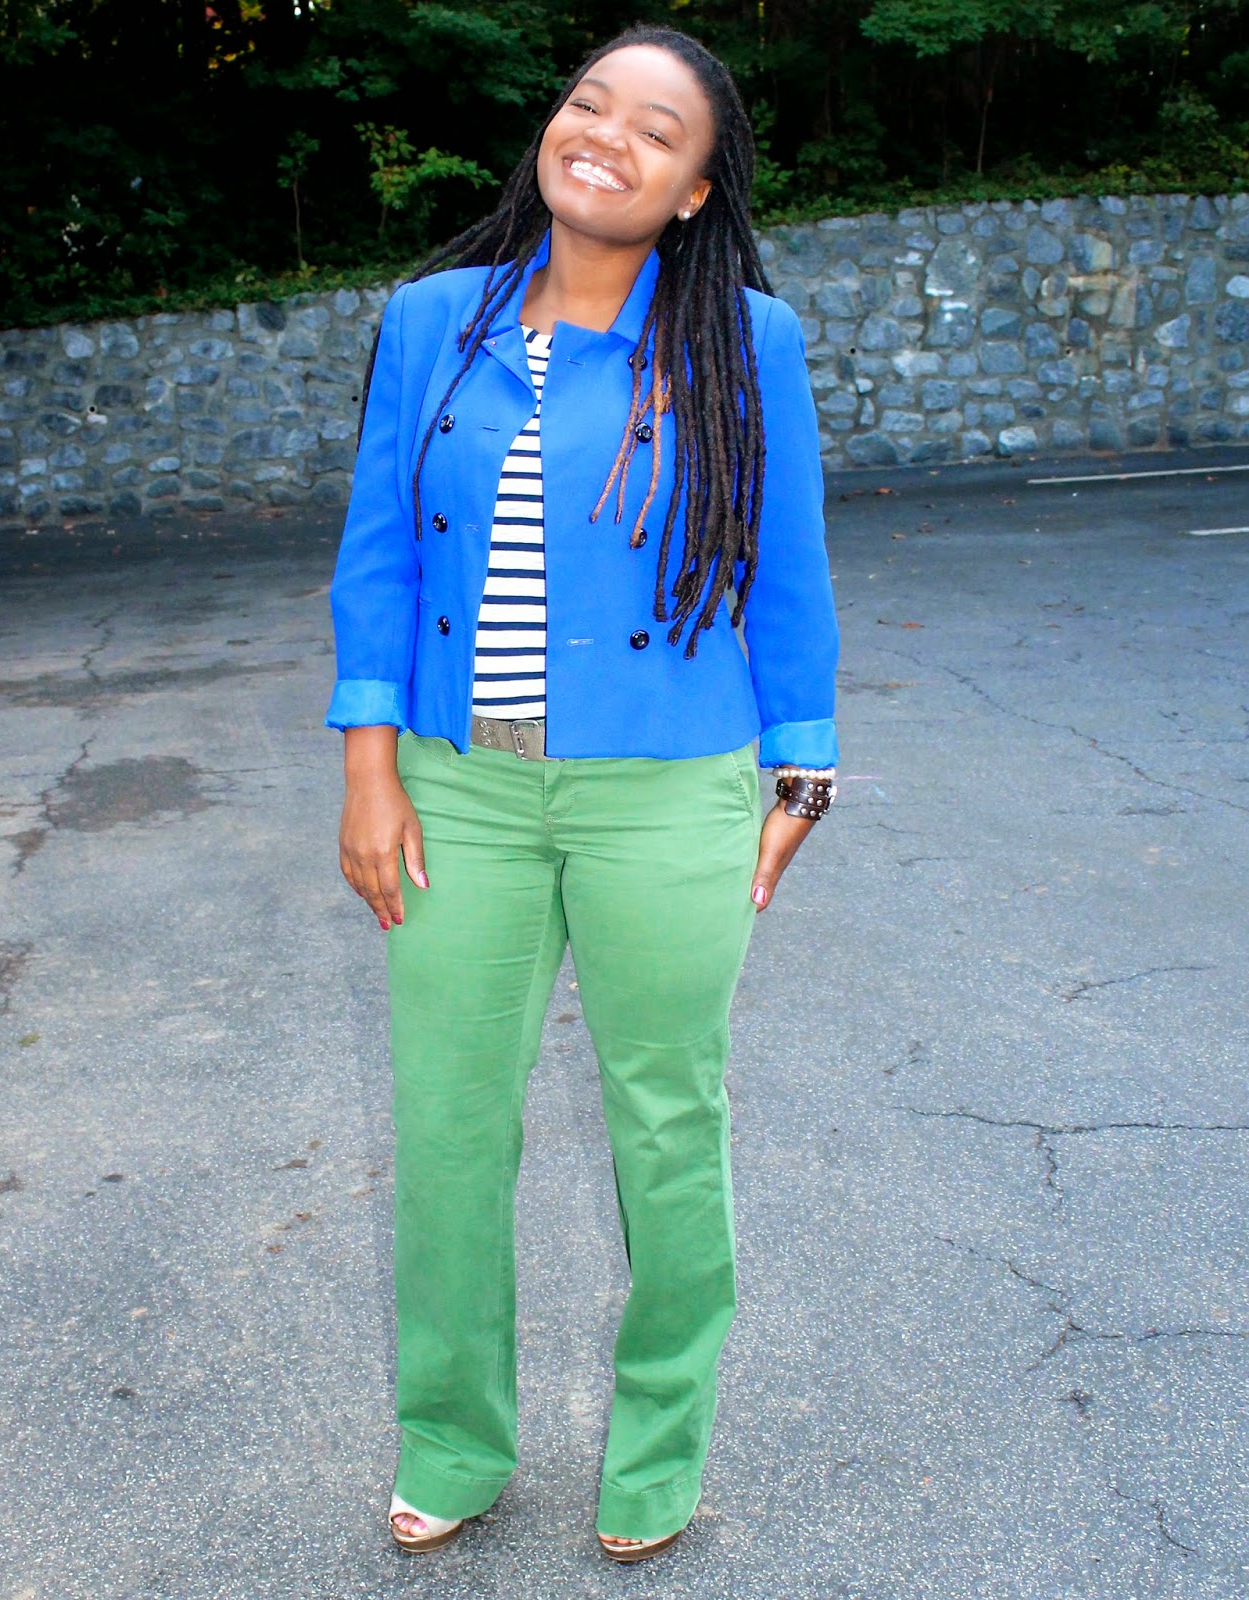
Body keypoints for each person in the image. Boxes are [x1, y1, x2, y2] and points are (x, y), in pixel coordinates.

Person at [324, 22, 839, 1564]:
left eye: (656, 131)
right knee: (446, 1130)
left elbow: (785, 569)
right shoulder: (434, 320)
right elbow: (377, 550)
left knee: (667, 1126)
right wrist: (368, 763)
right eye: (589, 103)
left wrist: (803, 767)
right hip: (456, 788)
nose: (607, 135)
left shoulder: (743, 342)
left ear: (693, 191)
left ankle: (658, 1448)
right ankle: (452, 1439)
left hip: (668, 791)